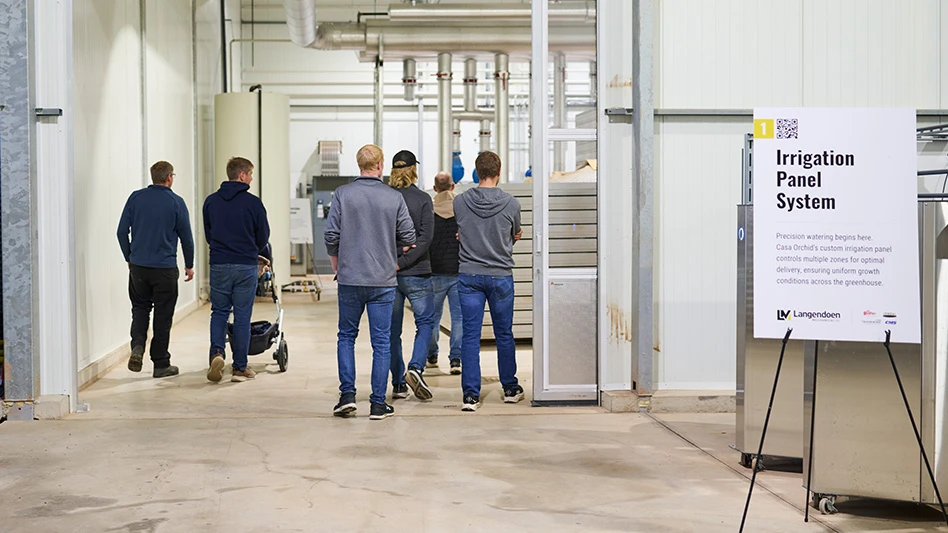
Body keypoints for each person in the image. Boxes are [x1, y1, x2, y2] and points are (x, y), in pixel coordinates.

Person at [325, 144, 416, 420]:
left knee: (346, 337)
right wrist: (390, 251)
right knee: (382, 342)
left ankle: (347, 396)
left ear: (359, 165)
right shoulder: (393, 197)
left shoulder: (343, 194)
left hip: (350, 278)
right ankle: (377, 403)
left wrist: (337, 264)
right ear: (380, 165)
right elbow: (409, 237)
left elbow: (331, 235)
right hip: (382, 280)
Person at [454, 151, 523, 411]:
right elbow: (514, 233)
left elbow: (462, 230)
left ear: (477, 171)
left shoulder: (460, 201)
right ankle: (510, 388)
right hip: (500, 275)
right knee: (503, 333)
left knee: (470, 335)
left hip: (469, 275)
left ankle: (470, 396)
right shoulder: (511, 203)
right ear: (499, 172)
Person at [117, 160, 195, 378]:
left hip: (139, 268)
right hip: (164, 269)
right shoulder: (176, 202)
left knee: (140, 309)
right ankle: (161, 364)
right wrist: (189, 265)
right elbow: (187, 239)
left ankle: (137, 346)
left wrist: (129, 257)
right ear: (169, 177)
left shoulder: (135, 198)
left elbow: (121, 232)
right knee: (163, 315)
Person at [203, 157, 270, 384]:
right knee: (242, 316)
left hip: (219, 263)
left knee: (219, 311)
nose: (251, 179)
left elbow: (209, 235)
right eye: (250, 174)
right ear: (242, 175)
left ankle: (217, 353)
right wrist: (251, 250)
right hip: (245, 265)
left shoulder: (211, 201)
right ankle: (240, 368)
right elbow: (263, 236)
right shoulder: (254, 203)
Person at [387, 150, 436, 401]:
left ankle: (398, 384)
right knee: (425, 322)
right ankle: (415, 367)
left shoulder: (384, 197)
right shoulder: (423, 199)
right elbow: (426, 238)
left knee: (392, 331)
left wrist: (395, 263)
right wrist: (405, 261)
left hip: (389, 274)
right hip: (417, 272)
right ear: (414, 170)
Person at [427, 171, 462, 375]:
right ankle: (455, 359)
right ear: (453, 186)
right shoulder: (461, 210)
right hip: (458, 270)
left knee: (432, 318)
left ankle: (432, 356)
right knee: (458, 318)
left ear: (434, 188)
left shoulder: (429, 211)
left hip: (435, 271)